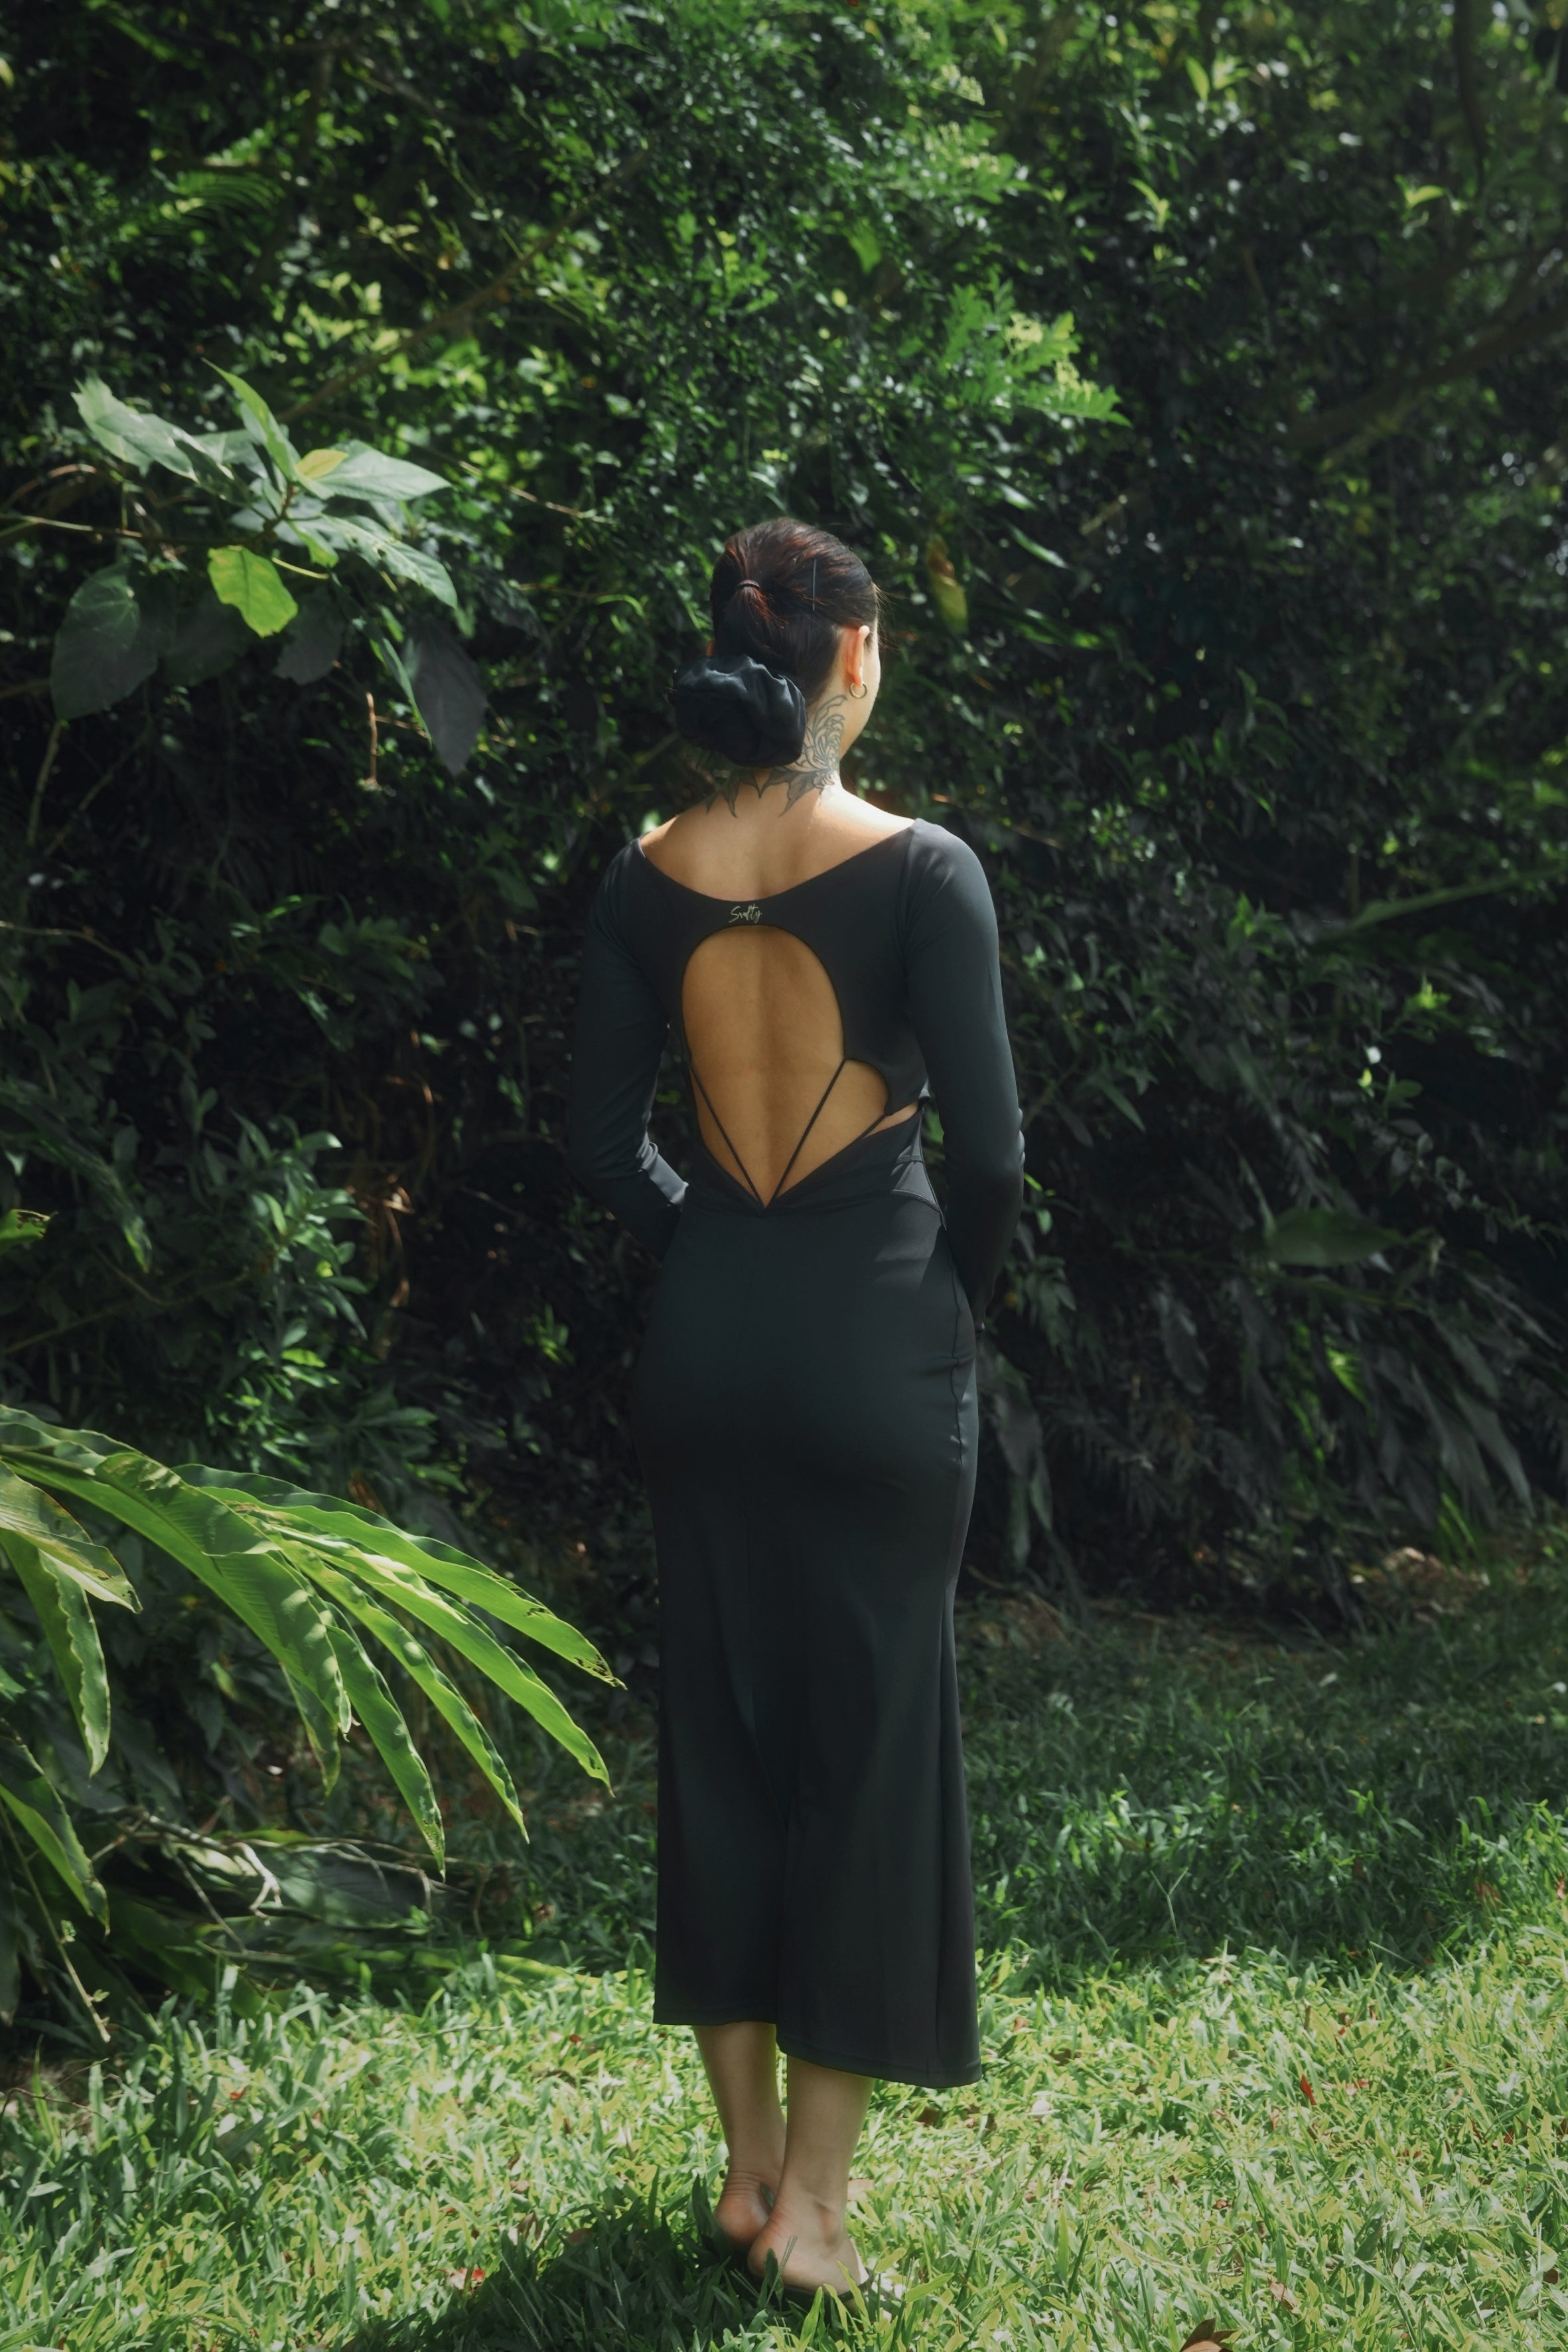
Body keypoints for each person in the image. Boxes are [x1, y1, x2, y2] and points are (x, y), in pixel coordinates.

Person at [567, 517, 1023, 2296]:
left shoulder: (641, 877)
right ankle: (818, 2221)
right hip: (875, 1343)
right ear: (851, 658)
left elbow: (599, 1149)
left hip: (706, 1344)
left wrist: (714, 1259)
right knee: (870, 1757)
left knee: (725, 1746)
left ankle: (748, 2180)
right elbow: (990, 1160)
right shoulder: (923, 869)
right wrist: (933, 1308)